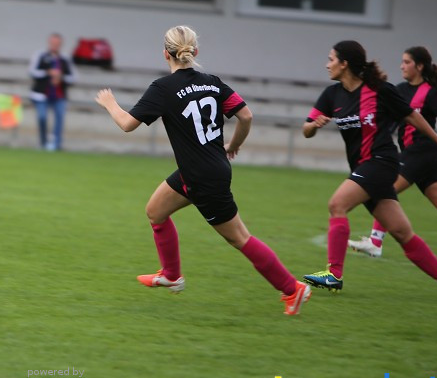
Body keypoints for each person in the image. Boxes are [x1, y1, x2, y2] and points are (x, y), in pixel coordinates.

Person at [95, 26, 312, 316]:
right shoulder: (212, 82)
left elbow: (126, 124)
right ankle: (172, 275)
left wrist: (110, 103)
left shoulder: (163, 88)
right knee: (155, 211)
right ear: (195, 52)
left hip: (202, 178)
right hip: (203, 170)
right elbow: (246, 115)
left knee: (239, 238)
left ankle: (292, 289)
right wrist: (233, 145)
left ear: (165, 54)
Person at [302, 40, 437, 303]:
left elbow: (412, 116)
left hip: (381, 162)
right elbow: (306, 129)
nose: (327, 64)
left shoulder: (379, 90)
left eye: (331, 59)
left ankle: (334, 274)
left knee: (337, 204)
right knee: (402, 232)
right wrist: (315, 126)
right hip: (364, 168)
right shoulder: (332, 95)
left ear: (345, 64)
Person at [349, 46, 437, 257]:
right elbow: (391, 118)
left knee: (383, 187)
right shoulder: (399, 90)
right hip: (417, 156)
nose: (402, 66)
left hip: (422, 152)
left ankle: (375, 242)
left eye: (406, 62)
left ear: (419, 66)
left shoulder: (430, 93)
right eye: (402, 61)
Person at [29, 33, 77, 151]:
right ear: (49, 43)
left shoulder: (65, 59)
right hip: (41, 95)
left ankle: (56, 145)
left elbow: (73, 77)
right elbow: (32, 72)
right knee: (42, 117)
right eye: (53, 43)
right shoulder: (40, 55)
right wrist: (47, 72)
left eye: (57, 43)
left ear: (60, 44)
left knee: (59, 119)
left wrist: (61, 77)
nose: (55, 45)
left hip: (59, 96)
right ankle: (43, 143)